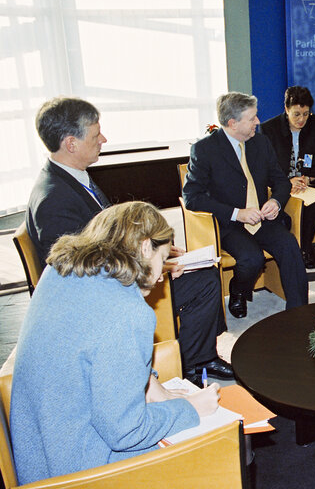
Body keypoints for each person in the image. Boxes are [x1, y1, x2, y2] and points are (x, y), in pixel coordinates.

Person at [26, 97, 231, 387]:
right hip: (108, 296)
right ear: (71, 143)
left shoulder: (73, 177)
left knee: (205, 271)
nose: (104, 140)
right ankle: (187, 365)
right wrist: (152, 267)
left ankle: (201, 357)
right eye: (96, 135)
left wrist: (158, 250)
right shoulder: (54, 201)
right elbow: (82, 276)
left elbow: (109, 235)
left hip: (118, 270)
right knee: (204, 281)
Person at [11, 201, 221, 484]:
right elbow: (126, 432)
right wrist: (191, 409)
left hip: (37, 455)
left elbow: (92, 347)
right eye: (162, 258)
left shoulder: (58, 271)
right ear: (145, 248)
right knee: (216, 447)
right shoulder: (129, 312)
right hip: (84, 471)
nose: (162, 275)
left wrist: (151, 384)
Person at [183, 92, 308, 317]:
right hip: (229, 223)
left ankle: (298, 313)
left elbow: (280, 181)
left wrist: (276, 202)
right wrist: (236, 214)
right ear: (233, 123)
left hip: (261, 218)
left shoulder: (260, 142)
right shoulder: (204, 150)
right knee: (252, 258)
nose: (258, 122)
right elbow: (192, 197)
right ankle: (239, 291)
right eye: (252, 118)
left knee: (289, 245)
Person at [260, 86, 315, 268]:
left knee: (312, 204)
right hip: (280, 186)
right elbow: (263, 168)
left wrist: (308, 179)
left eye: (306, 114)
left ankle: (305, 249)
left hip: (309, 185)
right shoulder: (268, 130)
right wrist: (286, 182)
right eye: (296, 114)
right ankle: (287, 249)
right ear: (286, 110)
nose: (301, 119)